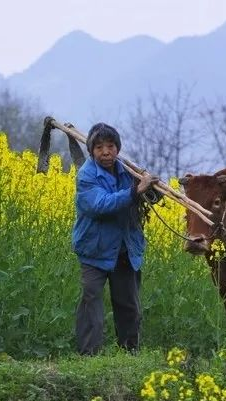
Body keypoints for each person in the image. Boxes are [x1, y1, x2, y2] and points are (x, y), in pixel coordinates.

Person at [72, 122, 158, 355]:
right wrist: (135, 191)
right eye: (99, 147)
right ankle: (89, 356)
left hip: (124, 249)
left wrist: (152, 188)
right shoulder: (86, 176)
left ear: (118, 149)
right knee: (92, 303)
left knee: (129, 306)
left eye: (111, 146)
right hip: (94, 250)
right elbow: (101, 205)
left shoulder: (128, 171)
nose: (106, 152)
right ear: (91, 151)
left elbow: (148, 196)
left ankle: (129, 354)